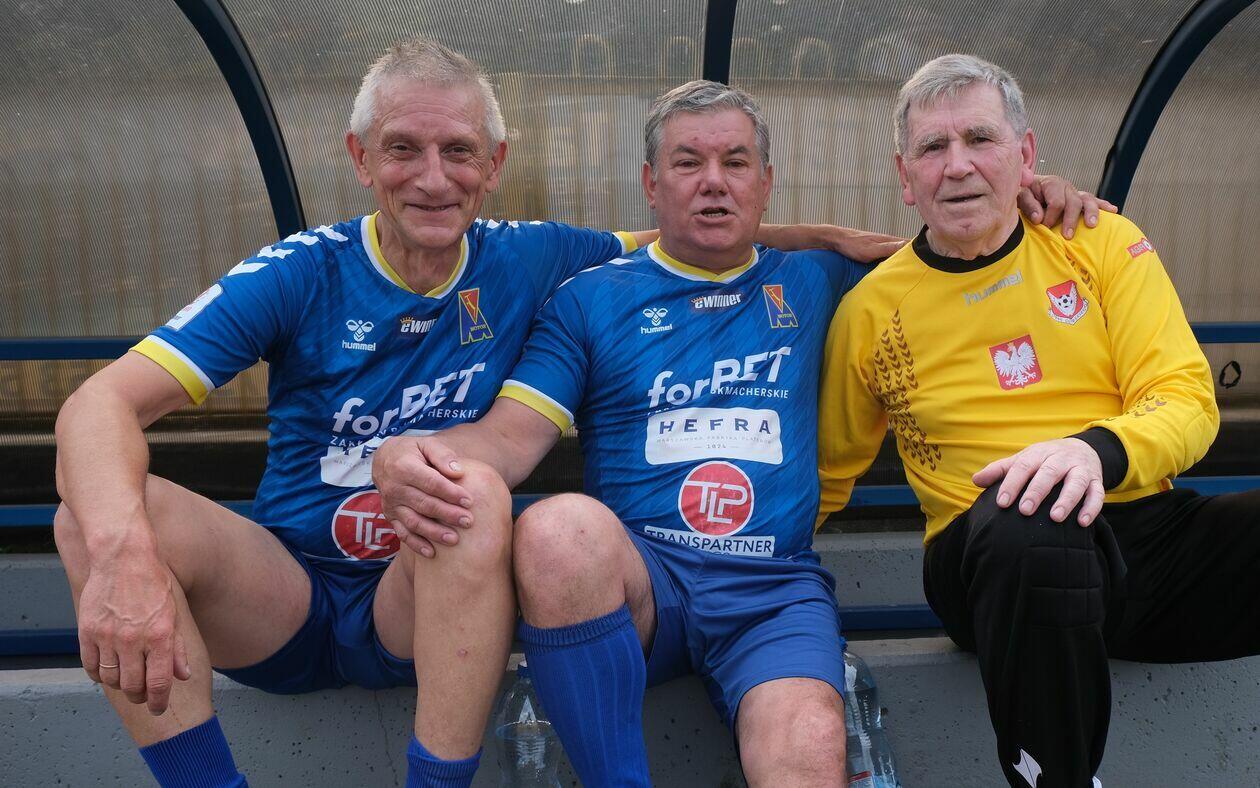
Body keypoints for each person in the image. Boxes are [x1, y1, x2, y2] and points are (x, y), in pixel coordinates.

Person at [50, 37, 906, 788]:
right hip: (287, 593)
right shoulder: (301, 271)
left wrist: (847, 240)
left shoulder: (529, 257)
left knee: (469, 490)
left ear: (493, 164)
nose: (433, 177)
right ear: (359, 158)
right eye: (403, 149)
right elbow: (98, 405)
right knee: (93, 516)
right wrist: (126, 559)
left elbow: (687, 241)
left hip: (418, 602)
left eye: (458, 150)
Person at [371, 78, 1109, 785]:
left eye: (735, 162)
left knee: (808, 744)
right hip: (644, 584)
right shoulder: (588, 299)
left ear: (766, 182)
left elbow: (961, 244)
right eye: (688, 163)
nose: (713, 183)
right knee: (557, 529)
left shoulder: (823, 278)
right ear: (651, 183)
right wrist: (407, 454)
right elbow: (508, 440)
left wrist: (1036, 191)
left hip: (772, 590)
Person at [818, 53, 1260, 787]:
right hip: (986, 558)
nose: (957, 165)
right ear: (905, 176)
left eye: (980, 139)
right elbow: (824, 475)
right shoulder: (870, 310)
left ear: (1025, 155)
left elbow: (1186, 396)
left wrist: (1092, 453)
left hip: (1136, 536)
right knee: (1030, 519)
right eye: (933, 147)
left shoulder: (1100, 241)